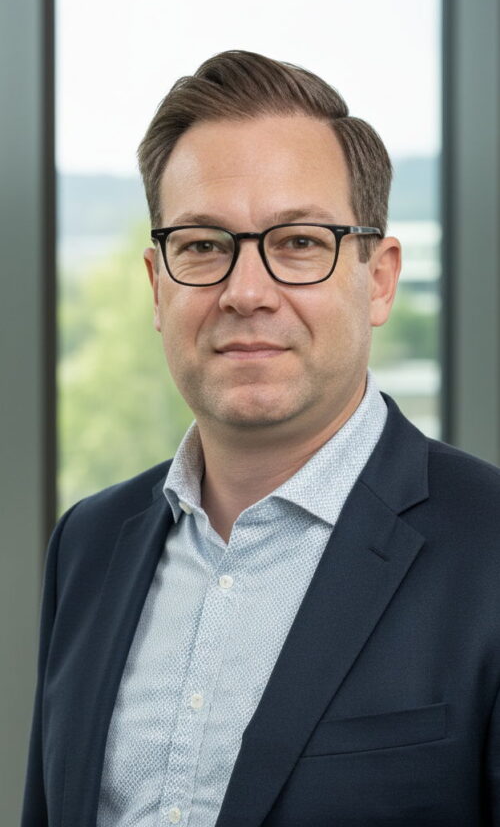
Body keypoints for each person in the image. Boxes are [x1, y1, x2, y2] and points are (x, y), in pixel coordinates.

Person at [22, 49, 500, 827]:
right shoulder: (89, 543)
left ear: (379, 279)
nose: (246, 293)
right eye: (203, 245)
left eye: (299, 242)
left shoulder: (490, 546)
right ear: (157, 285)